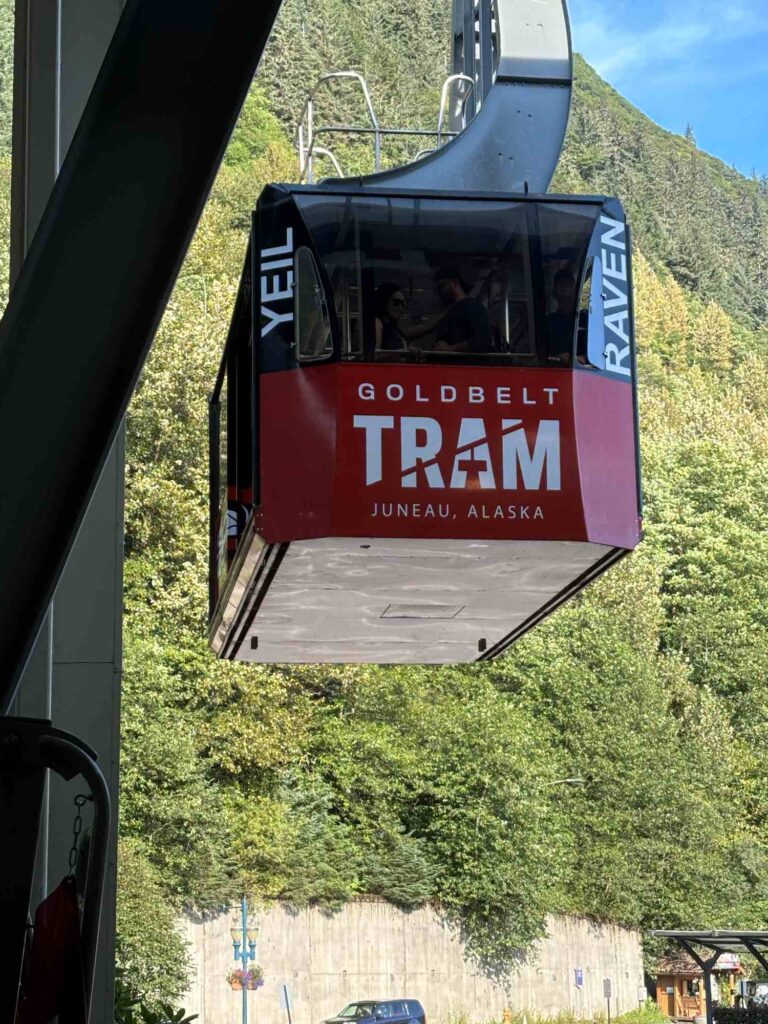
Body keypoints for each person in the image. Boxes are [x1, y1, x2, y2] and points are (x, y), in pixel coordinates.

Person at [431, 264, 494, 354]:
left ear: (456, 283)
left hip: (465, 366)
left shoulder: (473, 307)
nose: (439, 292)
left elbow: (482, 340)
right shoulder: (450, 312)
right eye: (437, 289)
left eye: (442, 286)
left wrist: (450, 349)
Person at [374, 282, 409, 351]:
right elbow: (374, 356)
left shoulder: (395, 329)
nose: (400, 308)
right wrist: (400, 353)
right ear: (384, 301)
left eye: (403, 304)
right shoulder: (377, 323)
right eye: (396, 302)